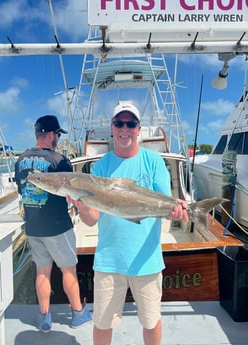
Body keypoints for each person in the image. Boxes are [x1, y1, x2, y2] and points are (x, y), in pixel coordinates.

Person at [67, 101, 189, 345]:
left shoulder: (154, 162)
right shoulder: (100, 167)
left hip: (147, 259)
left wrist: (175, 212)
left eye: (130, 123)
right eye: (119, 123)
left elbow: (165, 206)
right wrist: (82, 207)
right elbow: (92, 220)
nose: (125, 128)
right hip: (109, 259)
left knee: (151, 321)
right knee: (102, 323)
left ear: (138, 129)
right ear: (112, 128)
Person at [15, 115, 92, 333]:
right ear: (50, 134)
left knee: (42, 272)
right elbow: (72, 194)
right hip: (58, 227)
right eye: (58, 134)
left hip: (33, 227)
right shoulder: (59, 161)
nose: (58, 138)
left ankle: (45, 317)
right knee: (69, 271)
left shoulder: (20, 160)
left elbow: (22, 191)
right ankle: (78, 313)